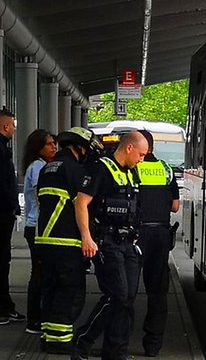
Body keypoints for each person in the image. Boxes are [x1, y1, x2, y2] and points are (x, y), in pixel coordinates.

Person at [73, 131, 147, 360]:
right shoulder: (100, 169)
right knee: (117, 295)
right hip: (107, 241)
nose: (142, 159)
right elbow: (81, 203)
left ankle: (116, 353)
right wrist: (86, 237)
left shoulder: (131, 173)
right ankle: (82, 342)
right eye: (141, 154)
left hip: (128, 243)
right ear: (129, 148)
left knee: (127, 300)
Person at [35, 127, 102, 355]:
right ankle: (61, 341)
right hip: (66, 241)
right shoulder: (75, 170)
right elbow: (80, 205)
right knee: (70, 292)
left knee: (50, 289)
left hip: (44, 239)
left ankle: (48, 337)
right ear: (80, 148)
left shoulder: (47, 168)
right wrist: (87, 236)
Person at [134, 130, 180, 357]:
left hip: (135, 234)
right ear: (153, 146)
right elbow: (175, 207)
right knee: (158, 293)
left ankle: (119, 341)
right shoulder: (166, 170)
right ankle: (152, 345)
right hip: (160, 234)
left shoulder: (131, 168)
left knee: (126, 290)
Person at [21, 129, 56, 334]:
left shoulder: (42, 165)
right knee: (39, 272)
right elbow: (41, 196)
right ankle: (34, 319)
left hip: (38, 226)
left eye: (55, 143)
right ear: (38, 148)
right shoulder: (38, 167)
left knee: (40, 271)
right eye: (49, 144)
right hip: (36, 226)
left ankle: (37, 317)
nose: (54, 147)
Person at [0, 108, 21, 326]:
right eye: (13, 125)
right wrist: (12, 207)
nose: (15, 129)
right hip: (2, 214)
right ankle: (3, 307)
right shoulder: (2, 151)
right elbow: (4, 184)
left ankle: (5, 306)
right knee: (2, 260)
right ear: (6, 126)